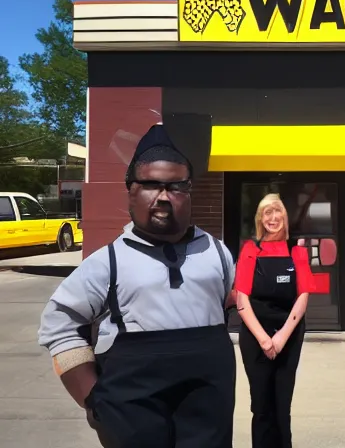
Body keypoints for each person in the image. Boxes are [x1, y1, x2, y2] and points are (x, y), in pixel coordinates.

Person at [37, 115, 236, 448]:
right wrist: (92, 400)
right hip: (131, 417)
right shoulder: (106, 263)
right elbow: (59, 326)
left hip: (208, 415)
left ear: (189, 192)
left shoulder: (218, 254)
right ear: (131, 191)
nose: (162, 196)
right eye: (151, 185)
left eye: (175, 186)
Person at [234, 193, 315, 448]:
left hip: (289, 337)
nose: (272, 218)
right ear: (260, 219)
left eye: (276, 211)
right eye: (266, 213)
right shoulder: (250, 250)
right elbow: (242, 299)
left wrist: (281, 337)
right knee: (261, 406)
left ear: (284, 216)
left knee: (282, 406)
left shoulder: (297, 251)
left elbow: (303, 296)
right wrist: (264, 339)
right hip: (255, 336)